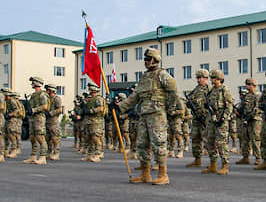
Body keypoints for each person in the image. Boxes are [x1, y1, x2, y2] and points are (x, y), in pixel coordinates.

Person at [118, 48, 176, 185]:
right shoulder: (144, 77)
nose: (145, 62)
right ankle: (145, 173)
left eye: (148, 59)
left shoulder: (162, 75)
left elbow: (173, 89)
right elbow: (135, 96)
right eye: (144, 59)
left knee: (159, 143)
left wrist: (171, 108)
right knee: (142, 144)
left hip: (157, 115)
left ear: (155, 60)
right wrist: (121, 106)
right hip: (143, 115)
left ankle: (163, 174)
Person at [202, 69, 233, 175]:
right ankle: (213, 164)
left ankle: (225, 165)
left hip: (221, 121)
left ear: (219, 79)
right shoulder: (211, 91)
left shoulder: (224, 90)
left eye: (214, 78)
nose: (212, 80)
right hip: (211, 120)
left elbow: (229, 106)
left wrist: (223, 118)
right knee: (209, 141)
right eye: (211, 78)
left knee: (221, 143)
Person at [185, 69, 210, 167]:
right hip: (196, 119)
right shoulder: (195, 90)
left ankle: (213, 162)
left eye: (201, 78)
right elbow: (191, 100)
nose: (199, 80)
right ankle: (197, 159)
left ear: (206, 78)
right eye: (198, 78)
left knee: (208, 140)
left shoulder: (209, 89)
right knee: (195, 139)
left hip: (205, 118)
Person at [23, 77, 49, 165]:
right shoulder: (33, 95)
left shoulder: (42, 94)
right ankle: (33, 156)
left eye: (33, 82)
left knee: (40, 137)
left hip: (39, 118)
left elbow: (45, 106)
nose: (32, 84)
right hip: (32, 118)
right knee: (32, 137)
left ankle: (43, 157)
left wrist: (34, 110)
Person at [82, 83, 106, 163]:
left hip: (96, 120)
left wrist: (91, 111)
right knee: (88, 138)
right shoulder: (90, 99)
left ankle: (97, 154)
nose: (89, 90)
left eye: (90, 89)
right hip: (89, 120)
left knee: (95, 138)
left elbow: (101, 108)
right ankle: (89, 154)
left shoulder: (98, 98)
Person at [44, 83, 63, 161]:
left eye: (48, 90)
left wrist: (50, 113)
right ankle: (49, 151)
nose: (46, 91)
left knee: (55, 138)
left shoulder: (56, 99)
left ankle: (56, 152)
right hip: (46, 121)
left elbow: (59, 110)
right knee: (47, 138)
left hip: (53, 121)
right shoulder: (47, 99)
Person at [4, 89, 23, 159]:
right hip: (8, 119)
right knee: (6, 135)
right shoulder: (6, 101)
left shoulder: (12, 101)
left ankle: (14, 150)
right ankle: (6, 150)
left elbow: (16, 110)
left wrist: (9, 115)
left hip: (13, 119)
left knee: (12, 135)